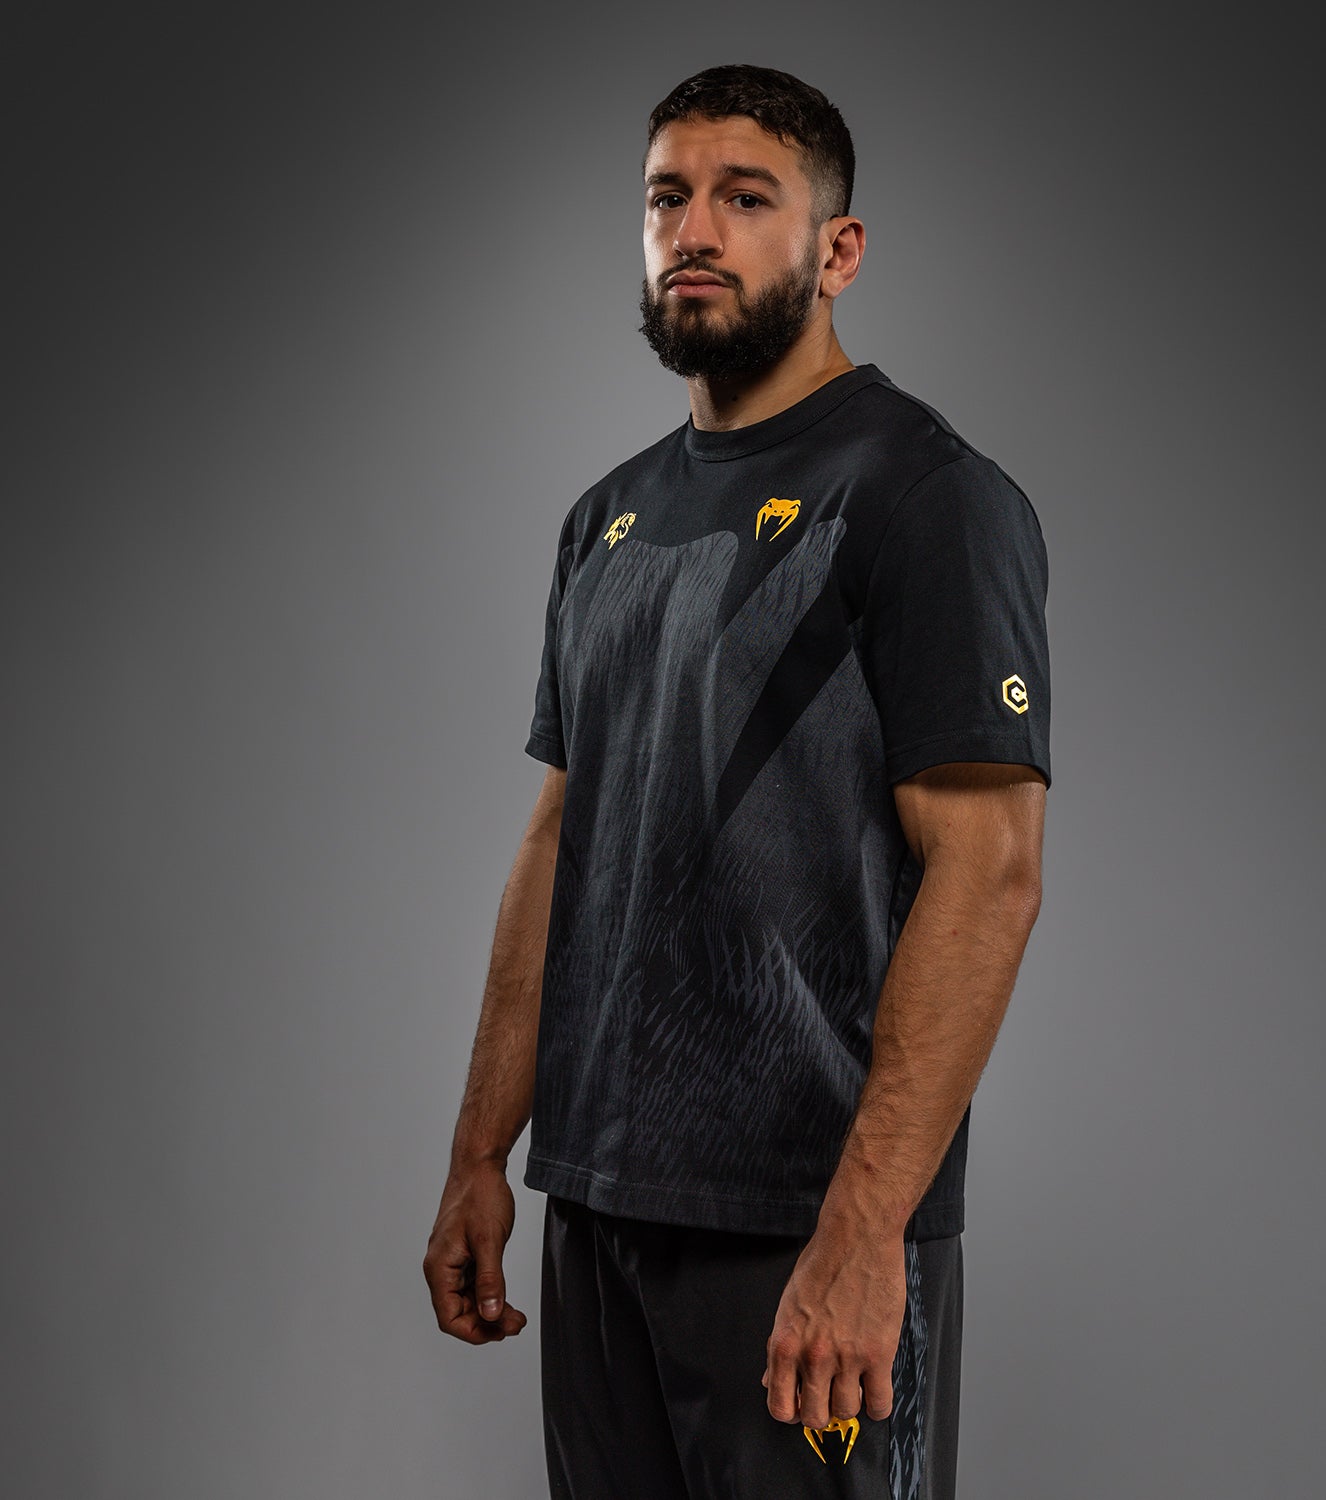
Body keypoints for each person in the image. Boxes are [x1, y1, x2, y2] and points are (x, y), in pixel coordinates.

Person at [423, 63, 1051, 1500]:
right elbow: (559, 842)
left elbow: (992, 872)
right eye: (668, 197)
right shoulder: (608, 519)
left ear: (838, 250)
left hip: (801, 1222)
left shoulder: (923, 495)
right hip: (600, 1204)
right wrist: (481, 1152)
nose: (693, 230)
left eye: (745, 198)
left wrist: (864, 1232)